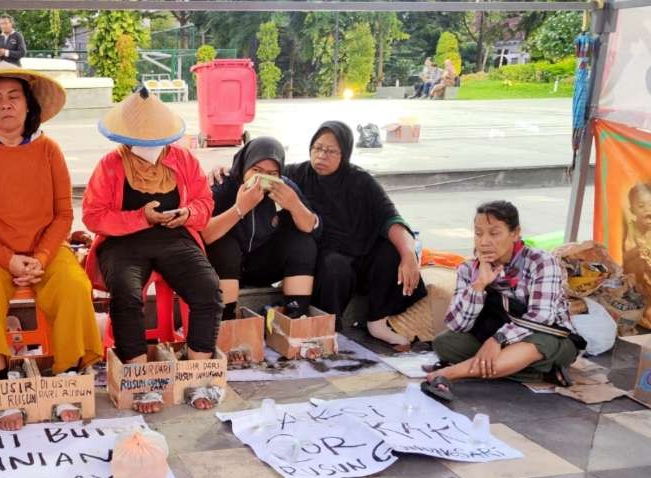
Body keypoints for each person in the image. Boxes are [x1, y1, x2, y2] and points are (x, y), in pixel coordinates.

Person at [0, 66, 103, 431]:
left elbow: (64, 214)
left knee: (75, 286)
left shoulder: (49, 150)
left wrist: (42, 257)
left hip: (44, 250)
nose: (5, 106)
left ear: (28, 105)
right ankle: (0, 385)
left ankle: (66, 376)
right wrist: (9, 258)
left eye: (13, 97)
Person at [211, 121, 425, 348]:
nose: (322, 155)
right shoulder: (294, 174)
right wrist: (225, 172)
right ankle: (326, 328)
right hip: (325, 257)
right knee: (332, 265)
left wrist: (409, 253)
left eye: (331, 151)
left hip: (361, 254)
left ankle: (375, 320)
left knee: (391, 251)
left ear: (345, 153)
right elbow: (254, 165)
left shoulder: (360, 181)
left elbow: (389, 217)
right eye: (317, 148)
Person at [83, 87, 223, 413]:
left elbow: (205, 201)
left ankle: (197, 374)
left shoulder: (183, 159)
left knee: (208, 289)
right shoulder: (110, 165)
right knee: (127, 294)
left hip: (175, 239)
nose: (149, 147)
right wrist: (140, 217)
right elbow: (93, 215)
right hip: (122, 243)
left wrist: (188, 213)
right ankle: (139, 379)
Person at [423, 201, 581, 401]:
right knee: (445, 343)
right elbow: (457, 325)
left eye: (494, 233)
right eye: (479, 233)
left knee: (537, 344)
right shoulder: (469, 269)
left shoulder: (540, 262)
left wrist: (498, 339)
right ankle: (536, 373)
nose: (484, 241)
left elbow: (541, 317)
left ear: (515, 233)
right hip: (498, 338)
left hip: (546, 338)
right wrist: (479, 285)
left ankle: (447, 374)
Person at [203, 137, 320, 320]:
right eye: (256, 171)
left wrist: (294, 204)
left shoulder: (284, 188)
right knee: (224, 245)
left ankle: (297, 314)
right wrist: (240, 208)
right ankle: (226, 318)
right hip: (223, 269)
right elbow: (205, 235)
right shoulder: (223, 185)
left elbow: (310, 227)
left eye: (272, 173)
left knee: (303, 242)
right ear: (245, 165)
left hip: (260, 266)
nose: (262, 179)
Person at [623, 182, 651, 328]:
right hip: (639, 281)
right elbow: (625, 259)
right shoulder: (631, 229)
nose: (648, 210)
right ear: (632, 210)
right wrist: (639, 249)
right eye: (641, 206)